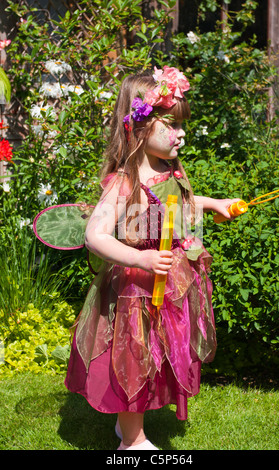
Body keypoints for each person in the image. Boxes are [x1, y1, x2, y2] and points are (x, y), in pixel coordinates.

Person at [65, 66, 239, 450]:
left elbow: (180, 206)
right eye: (172, 125)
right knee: (134, 360)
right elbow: (94, 235)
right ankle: (132, 442)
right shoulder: (126, 182)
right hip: (136, 290)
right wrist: (139, 261)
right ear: (141, 127)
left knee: (156, 358)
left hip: (170, 284)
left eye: (182, 126)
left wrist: (214, 205)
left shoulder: (167, 168)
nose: (181, 134)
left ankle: (129, 428)